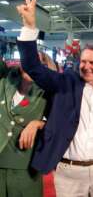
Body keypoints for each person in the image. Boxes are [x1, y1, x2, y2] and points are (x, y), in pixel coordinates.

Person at [16, 0, 93, 197]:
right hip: (69, 173)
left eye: (92, 63)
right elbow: (33, 67)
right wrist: (29, 27)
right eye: (83, 61)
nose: (86, 66)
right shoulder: (65, 83)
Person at [0, 52, 56, 197]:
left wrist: (38, 123)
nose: (31, 66)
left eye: (37, 63)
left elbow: (59, 125)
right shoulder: (5, 83)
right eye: (28, 60)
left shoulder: (48, 93)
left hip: (25, 169)